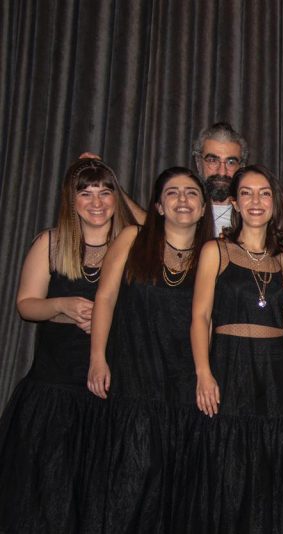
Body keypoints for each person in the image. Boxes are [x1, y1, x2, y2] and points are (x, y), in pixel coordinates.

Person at [0, 158, 135, 532]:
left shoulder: (130, 247)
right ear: (71, 200)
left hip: (107, 392)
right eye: (86, 193)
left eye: (105, 192)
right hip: (53, 388)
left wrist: (108, 321)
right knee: (43, 498)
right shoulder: (52, 242)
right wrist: (62, 305)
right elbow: (26, 305)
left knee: (95, 499)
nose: (97, 202)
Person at [84, 167, 213, 530]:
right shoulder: (132, 238)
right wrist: (97, 357)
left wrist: (205, 376)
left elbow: (209, 322)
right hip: (133, 380)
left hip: (185, 390)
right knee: (127, 483)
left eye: (191, 193)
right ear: (158, 205)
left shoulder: (213, 255)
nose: (182, 200)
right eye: (172, 192)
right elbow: (105, 298)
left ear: (204, 208)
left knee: (174, 492)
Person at [186, 164, 283, 532]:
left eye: (264, 193)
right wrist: (203, 373)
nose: (256, 201)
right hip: (228, 367)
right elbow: (200, 317)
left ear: (275, 202)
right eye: (247, 193)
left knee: (272, 474)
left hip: (276, 373)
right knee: (226, 471)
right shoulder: (215, 251)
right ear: (235, 203)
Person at [191, 122, 249, 236]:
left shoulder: (252, 215)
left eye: (230, 162)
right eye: (213, 160)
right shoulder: (184, 212)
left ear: (242, 167)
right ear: (198, 163)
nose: (222, 171)